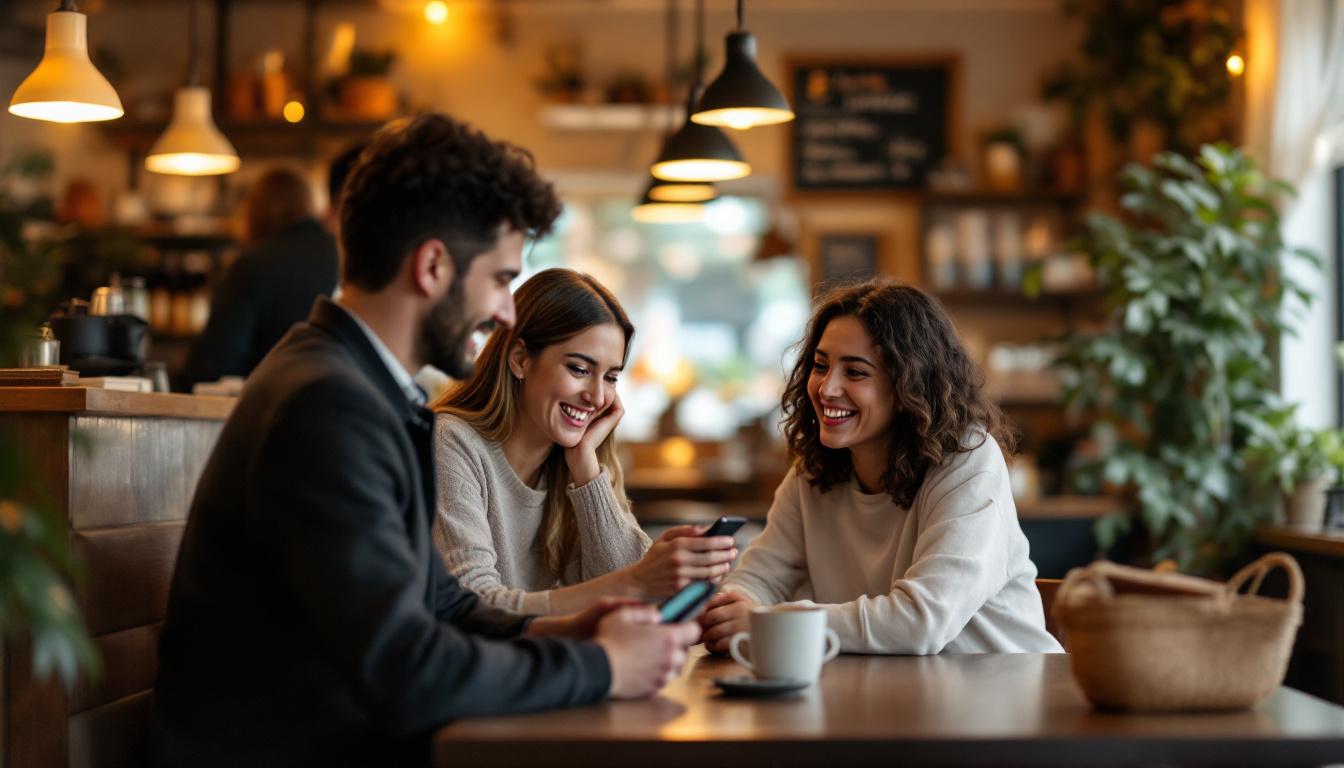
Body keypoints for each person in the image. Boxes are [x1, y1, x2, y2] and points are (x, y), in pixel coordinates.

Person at [151, 114, 699, 767]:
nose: (504, 312)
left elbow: (444, 604)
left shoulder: (356, 385)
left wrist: (558, 631)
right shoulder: (326, 406)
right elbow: (407, 671)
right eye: (500, 279)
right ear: (433, 265)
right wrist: (602, 668)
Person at [699, 280, 1062, 655]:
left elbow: (921, 621)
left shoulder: (967, 462)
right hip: (893, 695)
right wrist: (732, 605)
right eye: (821, 366)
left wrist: (769, 623)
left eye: (855, 373)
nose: (826, 388)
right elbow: (761, 576)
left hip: (1006, 695)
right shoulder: (815, 471)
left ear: (909, 387)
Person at [432, 268, 738, 615]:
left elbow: (640, 605)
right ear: (520, 359)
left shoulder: (573, 465)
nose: (596, 396)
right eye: (579, 369)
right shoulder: (450, 442)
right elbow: (473, 607)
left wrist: (586, 467)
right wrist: (636, 580)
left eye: (610, 377)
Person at [176, 167, 339, 390]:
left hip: (266, 409)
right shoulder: (342, 255)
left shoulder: (252, 266)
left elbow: (212, 364)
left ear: (255, 213)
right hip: (336, 402)